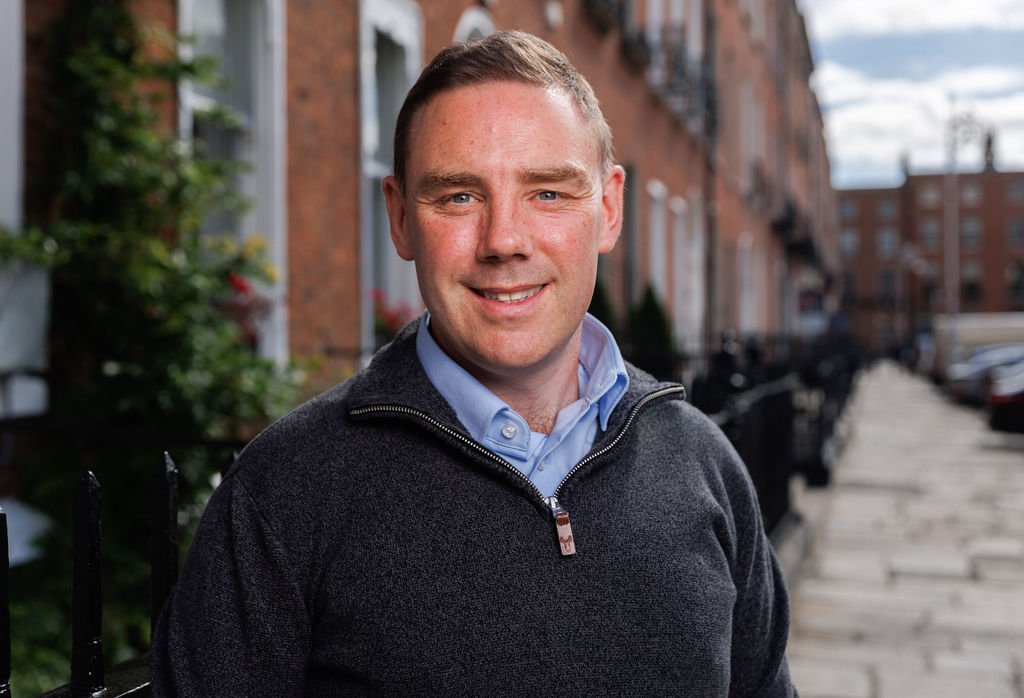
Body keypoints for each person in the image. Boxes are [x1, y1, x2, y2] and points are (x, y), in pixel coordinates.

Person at [151, 30, 797, 696]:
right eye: (459, 196)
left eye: (548, 193)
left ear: (607, 208)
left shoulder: (703, 464)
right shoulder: (287, 491)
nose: (504, 241)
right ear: (401, 219)